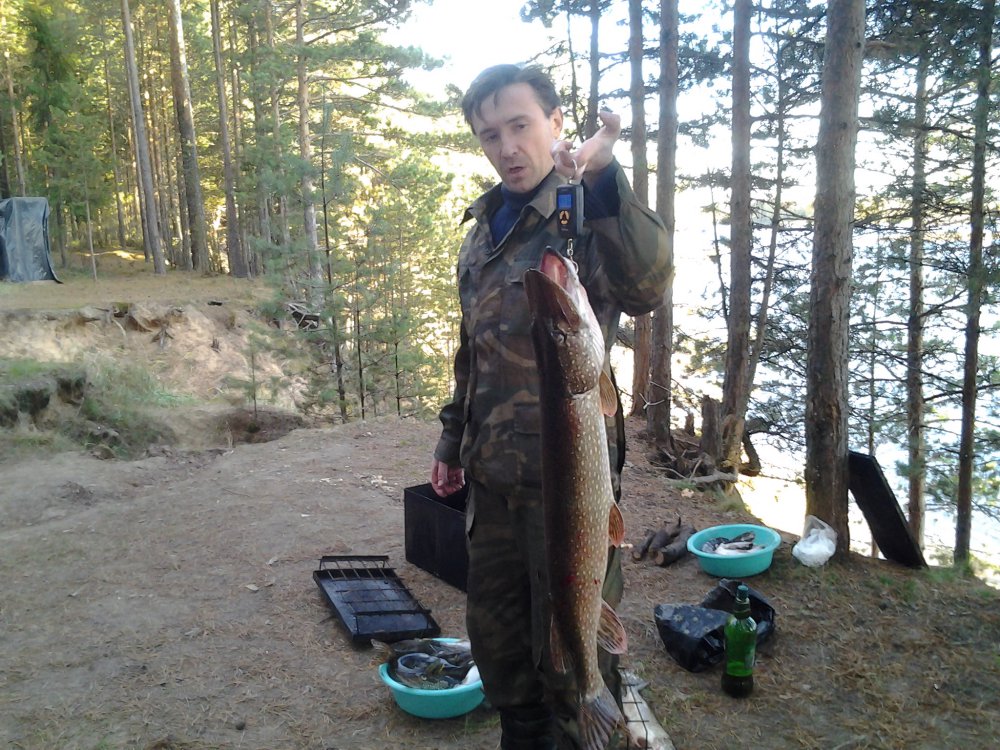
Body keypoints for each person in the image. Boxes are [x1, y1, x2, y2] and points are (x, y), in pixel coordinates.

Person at [430, 63, 673, 750]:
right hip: (492, 484)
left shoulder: (585, 211)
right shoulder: (481, 232)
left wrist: (603, 177)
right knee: (502, 652)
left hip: (567, 492)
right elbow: (472, 349)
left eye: (520, 126)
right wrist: (451, 440)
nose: (507, 147)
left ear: (555, 122)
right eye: (490, 135)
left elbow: (647, 285)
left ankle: (591, 727)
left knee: (572, 654)